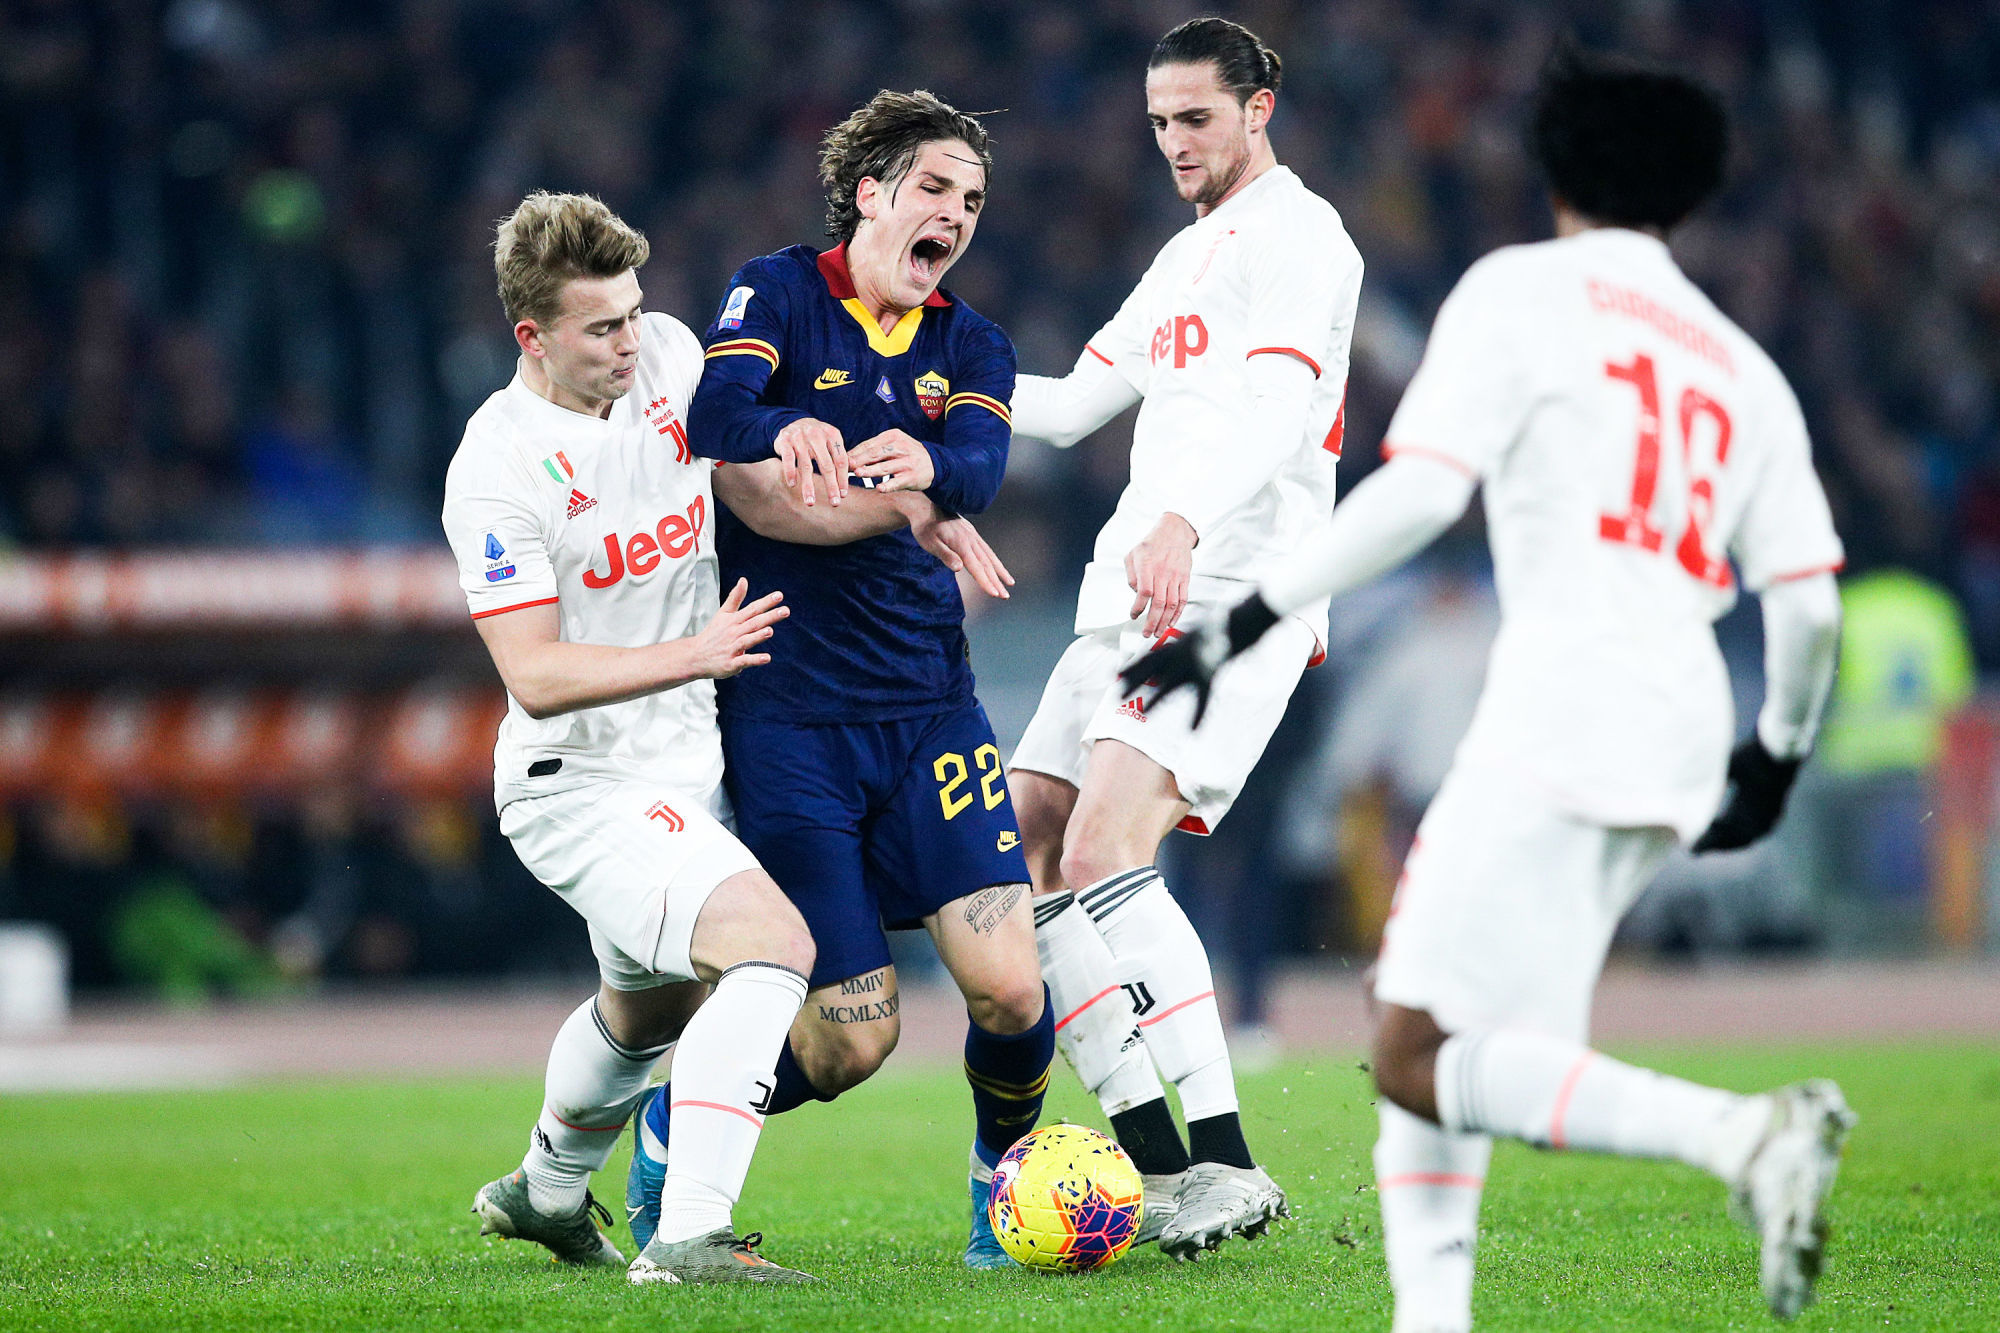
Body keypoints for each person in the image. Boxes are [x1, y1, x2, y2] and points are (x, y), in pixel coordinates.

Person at [1125, 45, 1855, 1328]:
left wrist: (1244, 616)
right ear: (1688, 194)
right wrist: (1775, 756)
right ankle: (1433, 1316)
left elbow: (1421, 490)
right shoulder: (1742, 366)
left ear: (1553, 170)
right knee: (1456, 1044)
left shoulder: (1520, 292)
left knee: (1407, 1041)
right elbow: (1804, 601)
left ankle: (1747, 1135)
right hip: (1683, 715)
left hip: (1563, 697)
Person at [624, 90, 1053, 1270]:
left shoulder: (972, 344)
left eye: (970, 201)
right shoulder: (777, 292)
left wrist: (927, 477)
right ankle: (672, 1125)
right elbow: (717, 414)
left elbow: (977, 459)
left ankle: (999, 1206)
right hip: (788, 719)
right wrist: (782, 441)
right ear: (867, 190)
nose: (955, 216)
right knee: (849, 1043)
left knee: (1011, 990)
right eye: (933, 189)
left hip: (929, 709)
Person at [1004, 16, 1363, 1259]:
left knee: (1107, 842)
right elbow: (1067, 406)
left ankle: (1228, 1162)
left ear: (1260, 105)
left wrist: (1181, 520)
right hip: (1129, 585)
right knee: (1028, 851)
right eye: (1157, 122)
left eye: (1194, 117)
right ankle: (1160, 1170)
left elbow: (1278, 407)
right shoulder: (1185, 254)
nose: (1172, 142)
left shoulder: (1304, 240)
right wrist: (923, 379)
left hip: (1230, 591)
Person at [443, 191, 823, 1285]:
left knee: (645, 1007)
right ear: (533, 337)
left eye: (633, 312)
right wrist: (693, 653)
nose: (631, 340)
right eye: (599, 326)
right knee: (770, 944)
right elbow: (533, 672)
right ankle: (691, 1235)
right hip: (578, 783)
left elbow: (746, 462)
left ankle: (545, 1189)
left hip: (677, 766)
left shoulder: (665, 355)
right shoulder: (498, 466)